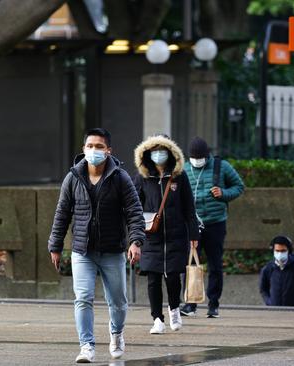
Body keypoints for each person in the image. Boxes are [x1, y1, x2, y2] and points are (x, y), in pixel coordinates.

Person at [48, 128, 145, 363]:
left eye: (99, 147)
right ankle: (86, 346)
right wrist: (56, 245)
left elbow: (134, 212)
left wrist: (136, 241)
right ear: (83, 149)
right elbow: (62, 213)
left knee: (118, 301)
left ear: (108, 151)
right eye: (90, 146)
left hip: (112, 250)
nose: (94, 150)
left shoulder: (120, 178)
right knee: (82, 297)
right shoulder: (73, 177)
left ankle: (116, 333)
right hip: (82, 250)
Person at [133, 135, 199, 334]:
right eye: (154, 151)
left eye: (162, 150)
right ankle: (157, 319)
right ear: (147, 154)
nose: (158, 155)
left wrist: (193, 235)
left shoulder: (180, 177)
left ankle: (174, 309)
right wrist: (134, 238)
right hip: (151, 236)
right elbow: (134, 207)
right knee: (153, 279)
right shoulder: (142, 178)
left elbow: (189, 208)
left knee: (172, 277)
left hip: (175, 235)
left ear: (171, 153)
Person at [181, 137, 244, 318]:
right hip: (193, 224)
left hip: (216, 222)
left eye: (200, 157)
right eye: (193, 157)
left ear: (207, 156)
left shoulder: (221, 166)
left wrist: (223, 193)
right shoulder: (185, 169)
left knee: (215, 264)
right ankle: (190, 304)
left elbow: (239, 186)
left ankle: (213, 304)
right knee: (191, 263)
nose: (197, 160)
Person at [259, 235, 294, 307]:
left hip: (293, 311)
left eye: (283, 251)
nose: (280, 253)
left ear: (288, 251)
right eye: (277, 251)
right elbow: (263, 289)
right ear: (273, 251)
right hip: (274, 310)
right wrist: (269, 302)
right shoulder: (267, 269)